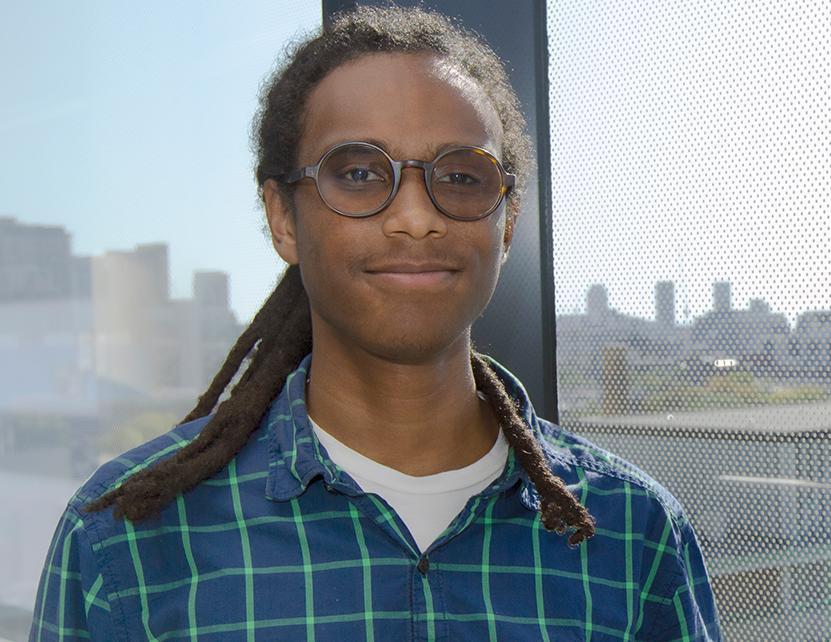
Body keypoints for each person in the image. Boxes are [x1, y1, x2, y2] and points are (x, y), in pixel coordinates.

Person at [30, 6, 722, 641]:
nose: (416, 216)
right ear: (282, 218)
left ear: (507, 219)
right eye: (359, 173)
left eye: (460, 176)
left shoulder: (634, 537)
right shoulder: (125, 543)